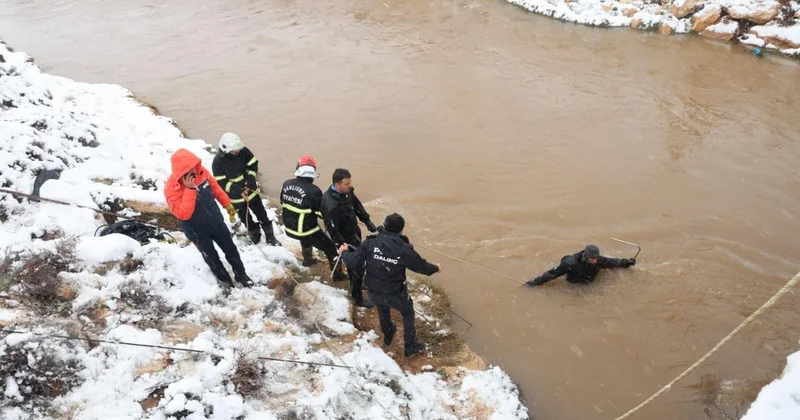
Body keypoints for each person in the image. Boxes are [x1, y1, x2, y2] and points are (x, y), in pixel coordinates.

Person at [340, 213, 441, 357]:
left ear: (384, 225)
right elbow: (422, 267)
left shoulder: (370, 242)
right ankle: (410, 346)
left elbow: (353, 262)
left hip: (373, 289)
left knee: (383, 309)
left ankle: (388, 335)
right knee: (407, 312)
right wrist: (436, 268)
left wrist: (344, 252)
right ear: (401, 230)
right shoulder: (403, 248)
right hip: (395, 292)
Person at [164, 148, 254, 294]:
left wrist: (227, 205)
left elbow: (216, 189)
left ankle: (241, 274)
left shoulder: (202, 172)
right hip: (196, 231)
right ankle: (224, 280)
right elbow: (183, 214)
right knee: (211, 257)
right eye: (188, 170)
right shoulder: (171, 189)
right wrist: (189, 189)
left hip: (215, 222)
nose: (193, 172)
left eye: (194, 167)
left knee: (231, 249)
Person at [280, 155, 345, 281]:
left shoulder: (286, 183)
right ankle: (337, 275)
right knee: (331, 248)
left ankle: (308, 260)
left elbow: (283, 202)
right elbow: (322, 214)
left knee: (305, 235)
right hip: (305, 230)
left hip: (289, 228)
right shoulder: (314, 191)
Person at [211, 132, 280, 246]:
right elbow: (221, 182)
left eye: (238, 150)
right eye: (234, 151)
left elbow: (253, 165)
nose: (237, 152)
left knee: (262, 215)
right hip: (236, 198)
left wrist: (250, 180)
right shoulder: (218, 162)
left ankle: (270, 237)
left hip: (251, 192)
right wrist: (237, 190)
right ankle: (255, 234)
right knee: (245, 218)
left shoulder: (244, 151)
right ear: (225, 150)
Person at [321, 168, 378, 308]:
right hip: (344, 240)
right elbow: (332, 228)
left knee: (361, 261)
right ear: (337, 184)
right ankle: (357, 298)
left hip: (354, 233)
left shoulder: (348, 192)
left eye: (350, 182)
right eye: (347, 183)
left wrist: (367, 220)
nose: (350, 185)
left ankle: (358, 283)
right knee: (356, 267)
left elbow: (357, 205)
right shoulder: (329, 203)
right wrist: (341, 245)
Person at [525, 244, 635, 286]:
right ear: (586, 257)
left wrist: (626, 262)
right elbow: (551, 274)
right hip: (575, 283)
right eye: (593, 259)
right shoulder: (570, 264)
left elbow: (612, 262)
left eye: (596, 258)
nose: (596, 261)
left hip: (590, 280)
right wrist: (534, 283)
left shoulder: (598, 259)